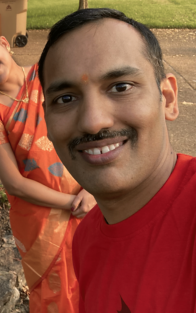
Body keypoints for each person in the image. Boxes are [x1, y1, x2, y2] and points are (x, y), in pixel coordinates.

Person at [38, 8, 196, 312]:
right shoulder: (85, 240)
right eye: (66, 99)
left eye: (121, 87)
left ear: (168, 98)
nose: (94, 122)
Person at [0, 28, 96, 313]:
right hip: (42, 218)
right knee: (57, 296)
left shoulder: (49, 74)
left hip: (92, 196)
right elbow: (14, 183)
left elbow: (89, 124)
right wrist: (72, 202)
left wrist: (92, 189)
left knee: (100, 279)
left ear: (4, 43)